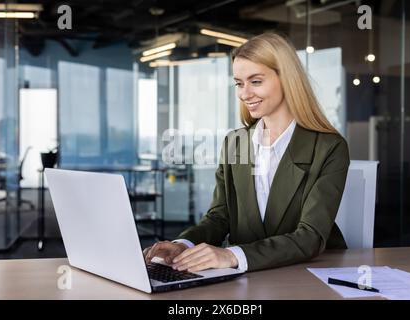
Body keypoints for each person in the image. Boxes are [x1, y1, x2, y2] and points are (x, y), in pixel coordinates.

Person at [145, 32, 350, 273]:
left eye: (256, 81)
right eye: (240, 83)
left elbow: (310, 236)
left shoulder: (329, 147)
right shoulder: (234, 142)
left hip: (313, 273)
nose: (244, 94)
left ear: (287, 79)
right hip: (250, 276)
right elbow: (220, 216)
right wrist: (182, 244)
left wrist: (231, 255)